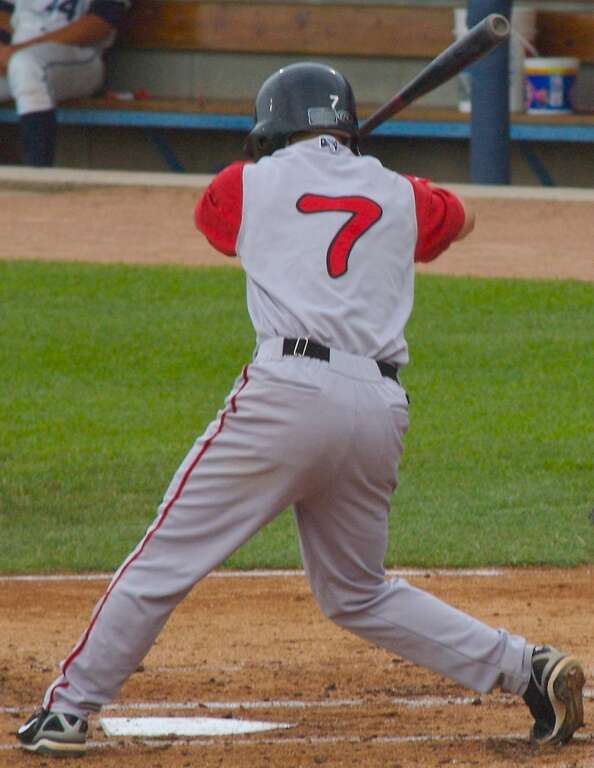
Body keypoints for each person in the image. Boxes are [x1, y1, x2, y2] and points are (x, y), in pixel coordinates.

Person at [16, 61, 585, 757]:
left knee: (163, 559)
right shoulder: (402, 194)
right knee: (357, 592)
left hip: (287, 393)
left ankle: (68, 710)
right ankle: (527, 669)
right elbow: (459, 219)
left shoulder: (247, 183)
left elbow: (216, 220)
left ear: (271, 127)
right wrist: (374, 177)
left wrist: (285, 166)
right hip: (379, 409)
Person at [0, 0, 129, 166]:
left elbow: (100, 23)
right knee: (23, 63)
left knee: (26, 64)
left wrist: (17, 50)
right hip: (16, 52)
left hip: (80, 56)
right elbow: (4, 11)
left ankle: (37, 176)